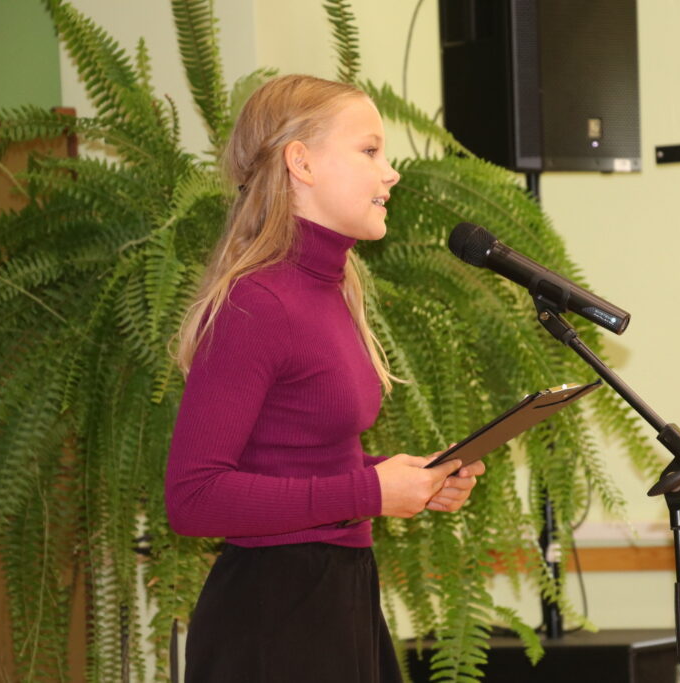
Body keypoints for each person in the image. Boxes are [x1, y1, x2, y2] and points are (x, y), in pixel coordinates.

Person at [165, 74, 485, 683]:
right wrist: (370, 492)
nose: (391, 173)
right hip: (273, 618)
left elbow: (295, 459)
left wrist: (407, 477)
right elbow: (193, 498)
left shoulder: (331, 287)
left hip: (341, 595)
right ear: (302, 163)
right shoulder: (257, 304)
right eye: (370, 151)